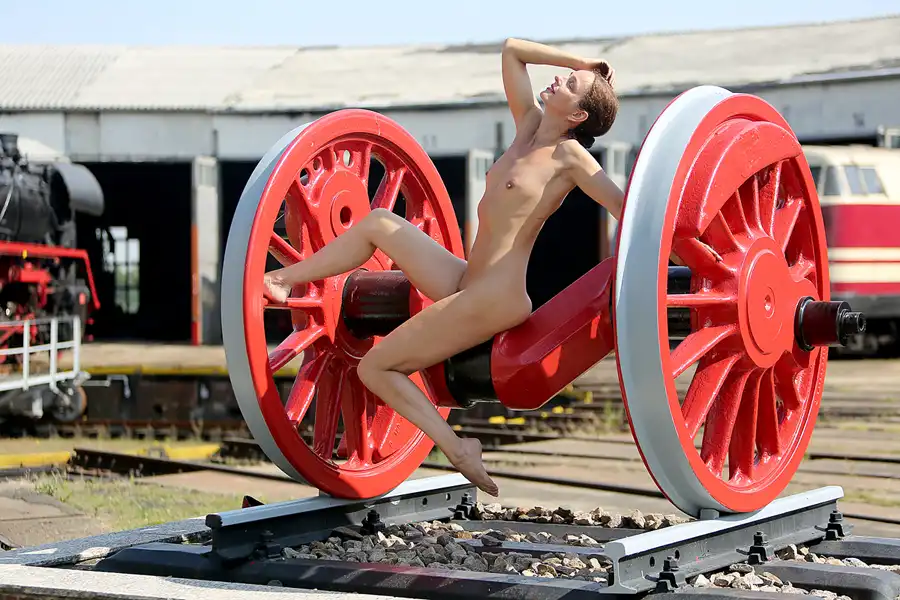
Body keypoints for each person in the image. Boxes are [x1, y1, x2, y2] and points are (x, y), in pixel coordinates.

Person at [264, 38, 624, 497]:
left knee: (375, 368)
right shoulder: (528, 127)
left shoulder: (570, 158)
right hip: (467, 278)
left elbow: (624, 206)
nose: (559, 78)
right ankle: (283, 279)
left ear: (577, 115)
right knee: (379, 223)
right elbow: (512, 51)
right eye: (566, 75)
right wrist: (583, 62)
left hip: (496, 296)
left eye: (571, 83)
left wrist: (671, 250)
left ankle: (458, 448)